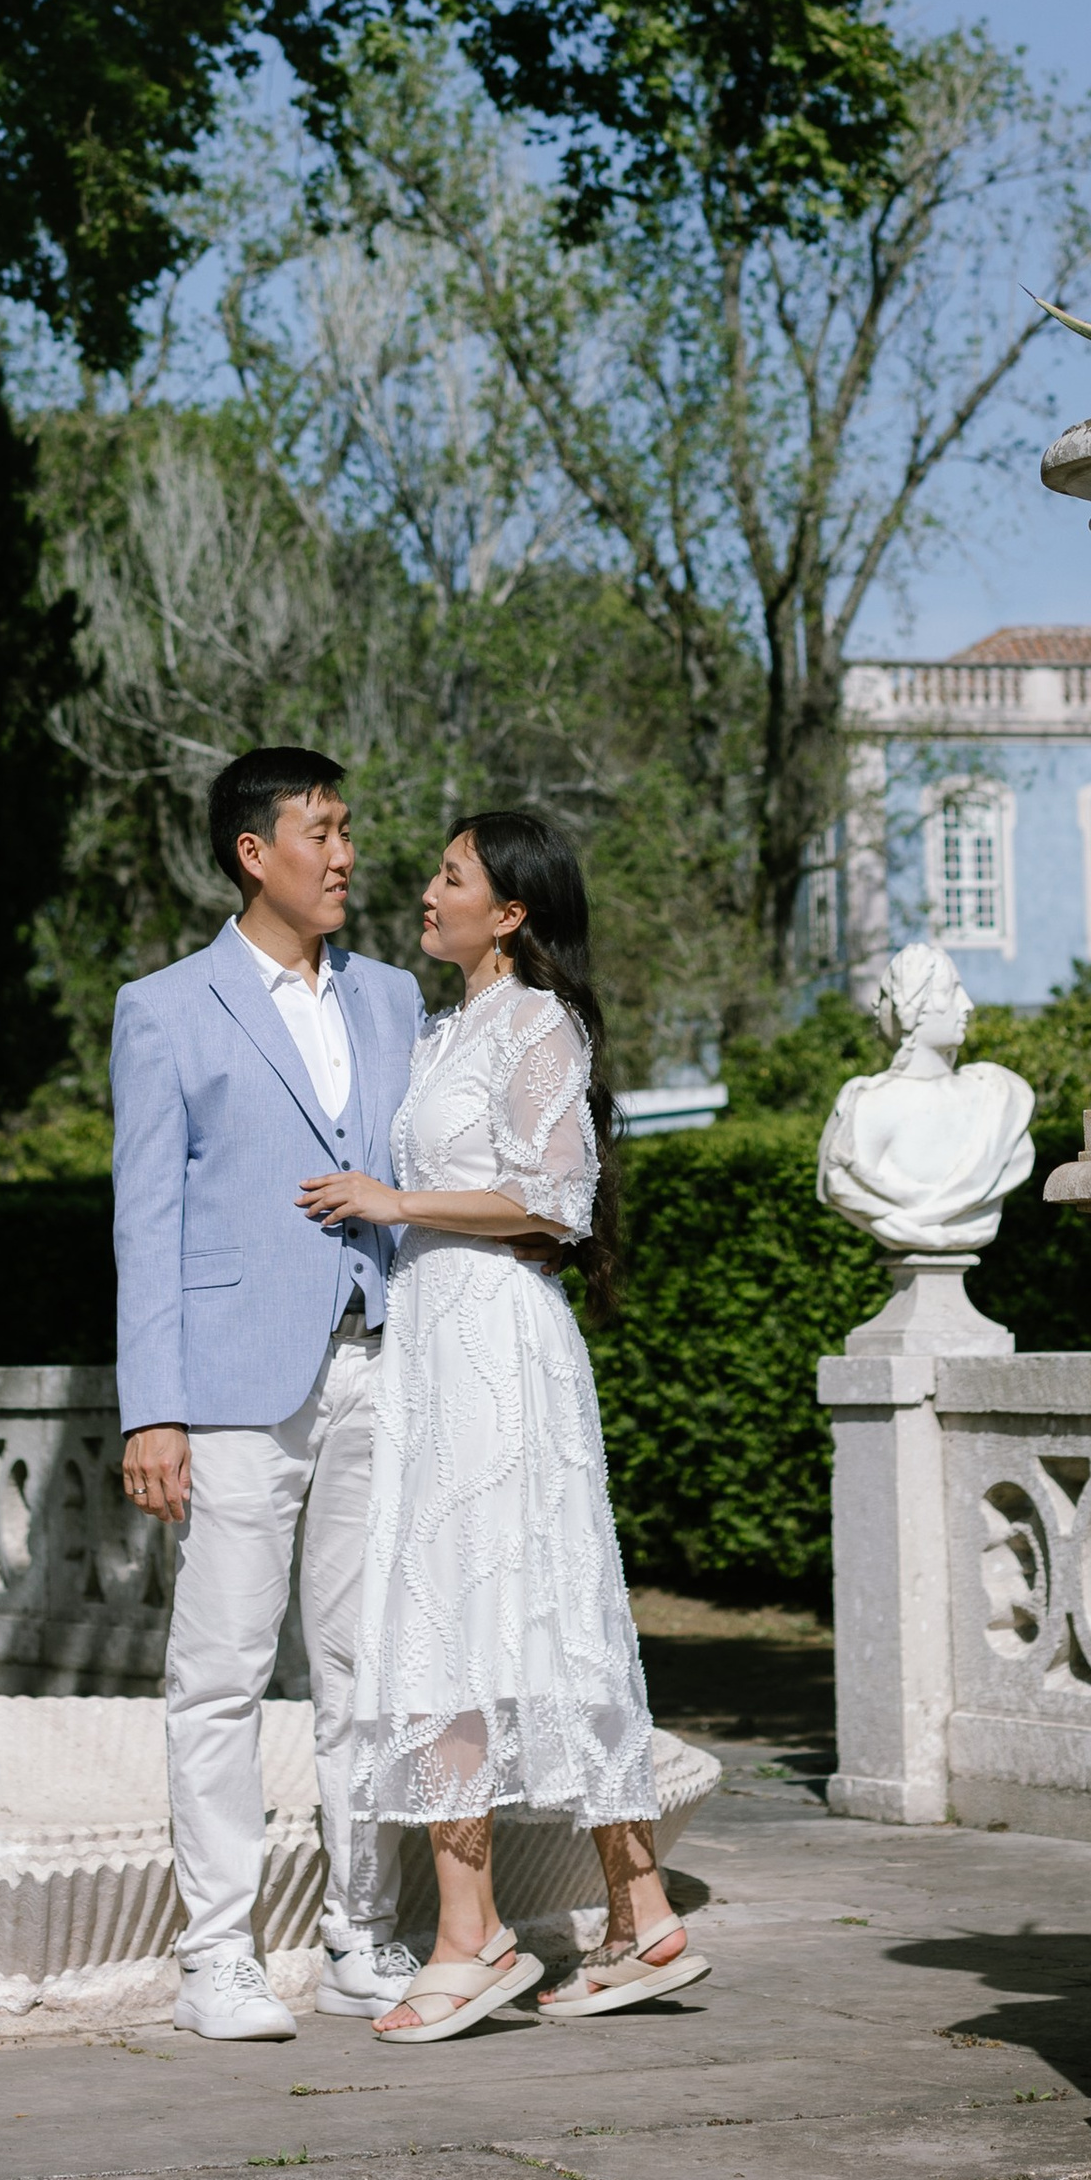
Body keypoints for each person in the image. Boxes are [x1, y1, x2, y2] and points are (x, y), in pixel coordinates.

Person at [297, 808, 711, 2040]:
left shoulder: (534, 1022)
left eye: (451, 876)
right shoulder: (449, 1029)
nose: (426, 891)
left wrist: (392, 1199)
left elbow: (556, 1201)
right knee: (501, 1606)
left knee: (475, 1608)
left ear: (511, 911)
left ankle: (472, 1938)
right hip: (436, 1334)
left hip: (492, 1338)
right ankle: (639, 1911)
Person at [111, 747, 429, 2043]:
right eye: (322, 831)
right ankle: (216, 1958)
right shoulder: (165, 1008)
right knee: (224, 1674)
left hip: (378, 1362)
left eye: (348, 828)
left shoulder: (398, 999)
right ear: (256, 852)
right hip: (234, 1388)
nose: (346, 853)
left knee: (363, 1665)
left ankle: (364, 1932)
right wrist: (152, 1408)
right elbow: (147, 1219)